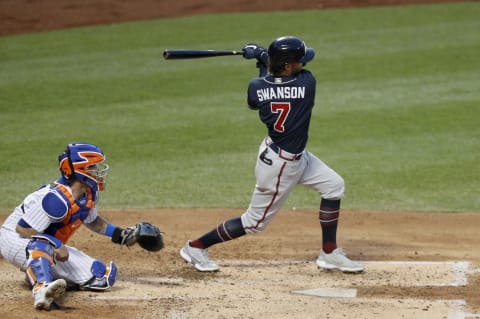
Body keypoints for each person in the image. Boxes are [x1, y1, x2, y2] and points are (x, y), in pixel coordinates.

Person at [180, 36, 363, 273]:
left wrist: (261, 59)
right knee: (254, 223)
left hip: (284, 152)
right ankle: (196, 246)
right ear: (287, 66)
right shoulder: (307, 84)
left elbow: (259, 96)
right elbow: (283, 75)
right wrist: (262, 55)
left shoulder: (255, 87)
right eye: (299, 61)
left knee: (333, 185)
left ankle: (329, 253)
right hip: (281, 167)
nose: (303, 64)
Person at [0, 143, 144, 310]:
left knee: (100, 277)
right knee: (42, 246)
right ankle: (41, 289)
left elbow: (93, 221)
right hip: (12, 238)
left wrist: (121, 235)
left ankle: (41, 270)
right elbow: (23, 229)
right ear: (80, 171)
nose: (98, 171)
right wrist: (56, 243)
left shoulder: (88, 192)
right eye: (92, 167)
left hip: (40, 241)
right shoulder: (56, 199)